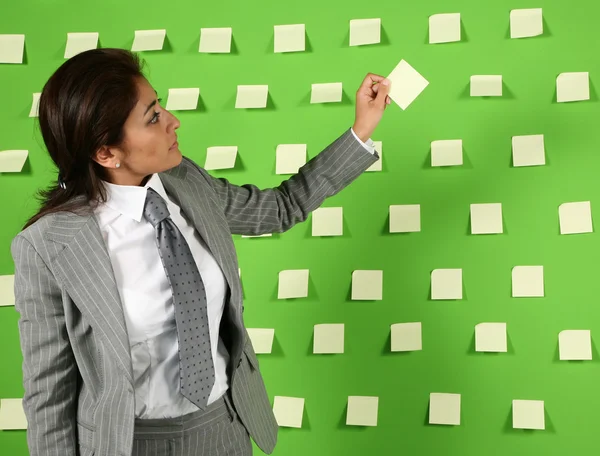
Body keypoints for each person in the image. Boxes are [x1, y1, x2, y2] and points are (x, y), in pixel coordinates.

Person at [10, 48, 391, 456]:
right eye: (153, 116)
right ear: (106, 152)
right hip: (128, 444)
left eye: (160, 105)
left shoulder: (187, 182)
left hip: (223, 429)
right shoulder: (49, 245)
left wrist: (361, 130)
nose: (173, 121)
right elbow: (49, 392)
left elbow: (281, 207)